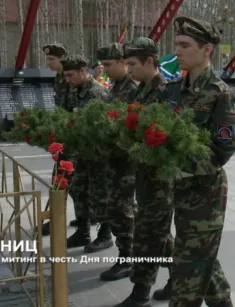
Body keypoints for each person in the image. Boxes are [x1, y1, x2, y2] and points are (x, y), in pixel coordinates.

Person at [162, 16, 235, 307]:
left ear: (206, 50)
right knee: (202, 258)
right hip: (179, 190)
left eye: (184, 45)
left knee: (188, 272)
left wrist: (176, 165)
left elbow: (222, 151)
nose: (177, 52)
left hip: (205, 193)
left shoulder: (221, 95)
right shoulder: (173, 91)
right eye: (176, 45)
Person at [115, 37, 174, 306]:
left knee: (149, 236)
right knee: (159, 234)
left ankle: (141, 294)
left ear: (150, 61)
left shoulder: (166, 92)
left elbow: (169, 138)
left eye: (132, 64)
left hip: (160, 176)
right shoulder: (141, 91)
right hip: (144, 173)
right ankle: (178, 278)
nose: (129, 70)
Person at [93, 43, 137, 279]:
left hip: (127, 162)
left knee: (125, 211)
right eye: (103, 65)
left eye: (109, 65)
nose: (104, 69)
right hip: (114, 160)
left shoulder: (133, 88)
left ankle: (129, 258)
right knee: (117, 210)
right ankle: (126, 254)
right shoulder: (117, 86)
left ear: (122, 62)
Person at [61, 55, 111, 249]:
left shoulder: (98, 93)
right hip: (80, 152)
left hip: (97, 153)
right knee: (78, 190)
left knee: (100, 193)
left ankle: (105, 234)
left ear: (84, 71)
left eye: (71, 75)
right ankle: (83, 232)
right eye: (65, 75)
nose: (68, 79)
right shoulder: (75, 91)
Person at [40, 43, 80, 235]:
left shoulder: (69, 78)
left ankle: (63, 219)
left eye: (51, 59)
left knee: (66, 179)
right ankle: (57, 217)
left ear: (62, 59)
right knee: (61, 178)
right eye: (47, 59)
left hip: (71, 135)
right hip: (64, 133)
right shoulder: (59, 77)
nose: (48, 63)